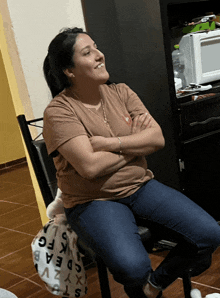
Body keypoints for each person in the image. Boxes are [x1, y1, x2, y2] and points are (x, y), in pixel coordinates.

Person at [43, 27, 220, 298]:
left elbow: (157, 138)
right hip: (93, 202)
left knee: (209, 233)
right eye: (88, 52)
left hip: (140, 187)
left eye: (97, 47)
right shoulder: (59, 112)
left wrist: (110, 144)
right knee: (133, 269)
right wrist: (135, 145)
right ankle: (143, 287)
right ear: (69, 70)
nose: (100, 55)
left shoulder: (122, 93)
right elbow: (90, 167)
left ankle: (154, 287)